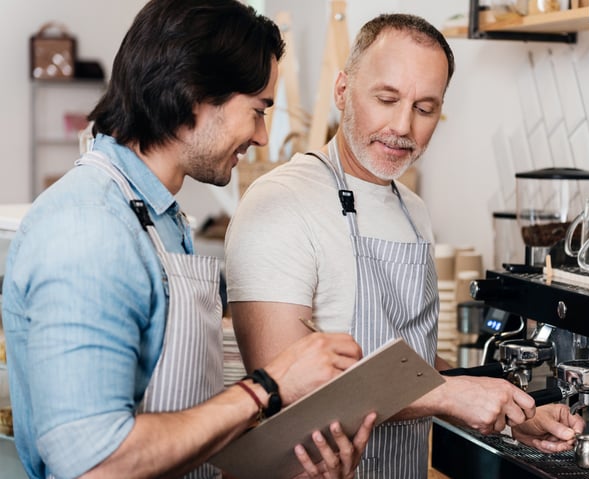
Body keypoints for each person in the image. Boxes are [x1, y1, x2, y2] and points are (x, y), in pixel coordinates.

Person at [1, 1, 376, 478]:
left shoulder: (160, 218)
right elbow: (95, 463)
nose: (262, 137)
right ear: (194, 92)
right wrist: (269, 385)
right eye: (258, 110)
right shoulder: (89, 229)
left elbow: (180, 430)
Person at [225, 12, 585, 478]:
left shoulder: (413, 210)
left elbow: (412, 356)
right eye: (387, 98)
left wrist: (513, 408)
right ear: (342, 91)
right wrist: (451, 398)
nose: (402, 126)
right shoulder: (279, 202)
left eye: (425, 107)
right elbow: (286, 390)